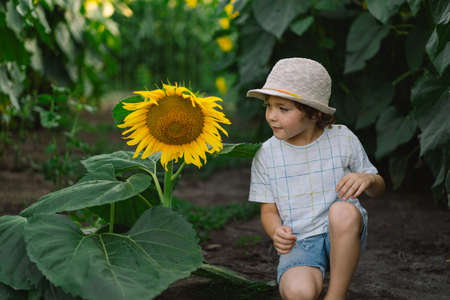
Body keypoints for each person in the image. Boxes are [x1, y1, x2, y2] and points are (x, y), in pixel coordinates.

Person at [247, 58, 385, 300]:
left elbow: (378, 188)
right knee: (299, 293)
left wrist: (368, 180)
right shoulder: (266, 154)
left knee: (343, 211)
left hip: (342, 232)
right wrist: (276, 231)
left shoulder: (342, 139)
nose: (271, 116)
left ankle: (336, 294)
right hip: (300, 241)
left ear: (313, 114)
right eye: (269, 106)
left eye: (283, 108)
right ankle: (308, 273)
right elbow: (268, 210)